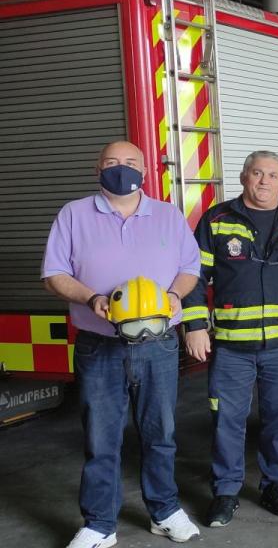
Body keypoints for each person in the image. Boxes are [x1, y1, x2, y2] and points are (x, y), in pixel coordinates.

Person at [43, 141, 202, 548]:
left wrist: (175, 295)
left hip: (159, 344)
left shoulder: (168, 215)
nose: (121, 169)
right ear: (98, 169)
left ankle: (164, 511)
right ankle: (99, 524)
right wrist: (90, 298)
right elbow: (54, 273)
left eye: (130, 162)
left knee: (160, 432)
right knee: (101, 437)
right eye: (112, 163)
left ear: (146, 170)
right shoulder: (74, 214)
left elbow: (190, 267)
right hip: (101, 345)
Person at [182, 150, 278, 528]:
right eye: (257, 173)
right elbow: (193, 275)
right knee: (227, 420)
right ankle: (225, 491)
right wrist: (195, 325)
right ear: (243, 178)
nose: (264, 181)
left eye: (271, 175)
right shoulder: (217, 220)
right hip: (232, 347)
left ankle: (276, 484)